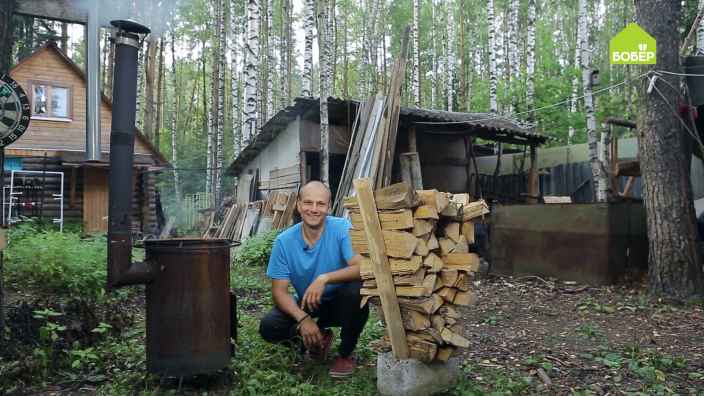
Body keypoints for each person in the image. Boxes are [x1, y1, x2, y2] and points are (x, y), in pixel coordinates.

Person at [259, 181, 369, 378]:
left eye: (320, 204)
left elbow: (363, 267)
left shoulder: (342, 228)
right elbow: (279, 292)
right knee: (269, 326)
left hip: (341, 302)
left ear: (329, 207)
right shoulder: (284, 242)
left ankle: (345, 353)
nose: (314, 209)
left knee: (357, 290)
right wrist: (303, 318)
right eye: (308, 203)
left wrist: (324, 278)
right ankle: (316, 339)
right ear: (299, 205)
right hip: (308, 302)